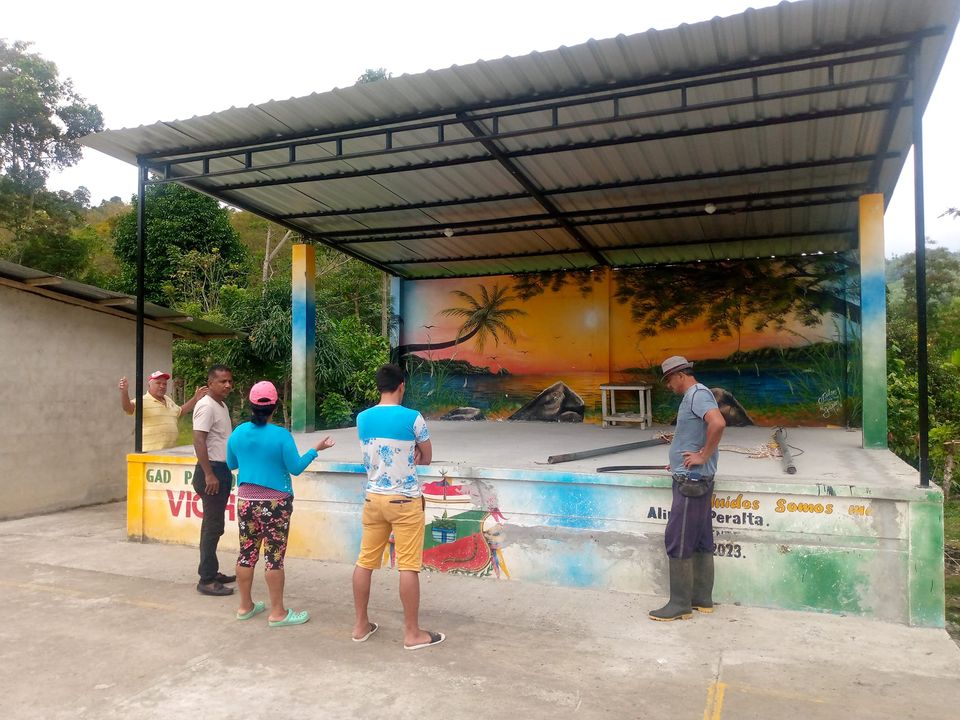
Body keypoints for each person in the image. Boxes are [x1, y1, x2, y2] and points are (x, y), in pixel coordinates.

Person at [227, 380, 335, 627]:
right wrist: (315, 450)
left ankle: (245, 606)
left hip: (246, 500)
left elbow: (231, 463)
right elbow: (295, 468)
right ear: (274, 406)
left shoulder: (238, 432)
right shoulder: (281, 435)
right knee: (273, 556)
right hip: (275, 504)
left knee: (246, 553)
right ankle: (277, 613)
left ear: (251, 405)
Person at [352, 363, 442, 650]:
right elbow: (427, 456)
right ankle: (412, 633)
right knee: (408, 567)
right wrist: (411, 451)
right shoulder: (413, 418)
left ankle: (360, 625)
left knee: (365, 562)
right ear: (402, 386)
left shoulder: (362, 418)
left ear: (379, 387)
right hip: (404, 501)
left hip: (373, 499)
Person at [649, 355, 726, 622]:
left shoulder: (697, 395)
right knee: (701, 538)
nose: (669, 386)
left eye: (669, 380)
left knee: (678, 538)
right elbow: (694, 434)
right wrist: (678, 461)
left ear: (680, 375)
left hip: (691, 482)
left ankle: (680, 604)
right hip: (694, 478)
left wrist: (702, 455)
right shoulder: (696, 396)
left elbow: (718, 423)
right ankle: (702, 598)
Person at [192, 364, 236, 597]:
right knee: (212, 527)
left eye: (230, 381)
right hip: (211, 472)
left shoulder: (221, 405)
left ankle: (211, 570)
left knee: (215, 526)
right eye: (222, 381)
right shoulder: (206, 406)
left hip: (221, 470)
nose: (228, 385)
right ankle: (206, 579)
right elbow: (199, 440)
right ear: (210, 383)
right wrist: (209, 474)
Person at [118, 370, 207, 451]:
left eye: (165, 384)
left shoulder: (168, 400)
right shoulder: (142, 400)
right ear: (149, 385)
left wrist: (195, 398)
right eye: (158, 383)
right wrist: (124, 392)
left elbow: (180, 411)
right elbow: (127, 407)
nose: (162, 386)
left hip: (169, 452)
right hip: (150, 453)